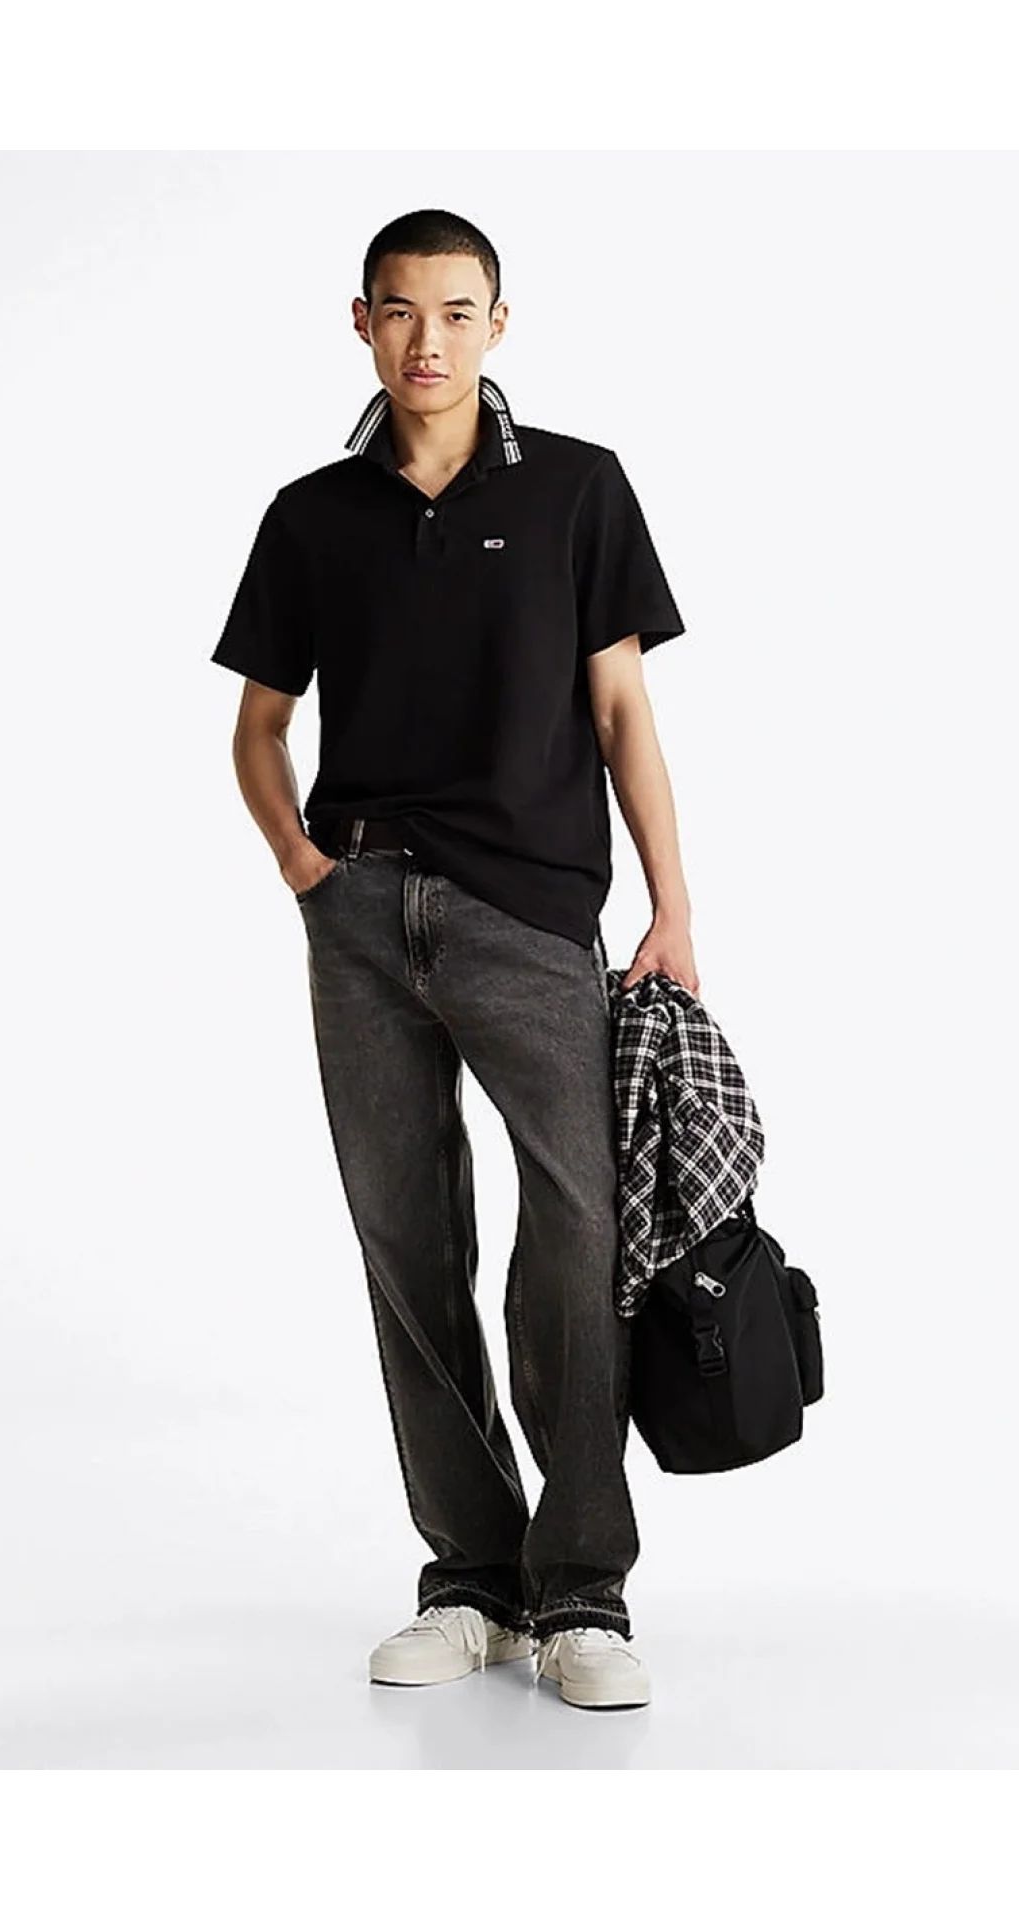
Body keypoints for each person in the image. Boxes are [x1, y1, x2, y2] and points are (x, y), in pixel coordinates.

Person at [210, 208, 698, 1712]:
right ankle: (474, 1581)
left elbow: (621, 714)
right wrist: (306, 870)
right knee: (407, 1247)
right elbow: (258, 728)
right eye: (401, 311)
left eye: (457, 311)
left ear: (498, 324)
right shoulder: (310, 516)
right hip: (362, 919)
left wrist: (673, 908)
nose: (429, 340)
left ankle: (584, 1592)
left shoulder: (576, 489)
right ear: (362, 322)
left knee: (576, 1240)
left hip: (534, 917)